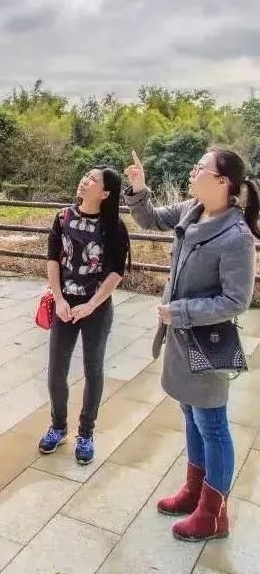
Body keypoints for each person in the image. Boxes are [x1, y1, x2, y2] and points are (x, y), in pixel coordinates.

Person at [124, 148, 259, 542]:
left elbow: (236, 301)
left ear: (223, 182)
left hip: (207, 341)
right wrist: (138, 187)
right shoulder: (192, 209)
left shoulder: (236, 237)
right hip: (182, 340)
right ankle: (194, 492)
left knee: (212, 425)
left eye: (200, 167)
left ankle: (214, 514)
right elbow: (149, 218)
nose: (192, 171)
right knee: (189, 413)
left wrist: (179, 311)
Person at [39, 166, 130, 464]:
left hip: (96, 308)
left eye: (93, 179)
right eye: (85, 176)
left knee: (93, 370)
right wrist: (59, 298)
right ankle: (58, 426)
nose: (84, 180)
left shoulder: (114, 227)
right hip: (65, 306)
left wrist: (91, 305)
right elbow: (53, 259)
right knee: (56, 371)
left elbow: (116, 272)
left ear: (105, 193)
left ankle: (86, 433)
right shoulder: (63, 217)